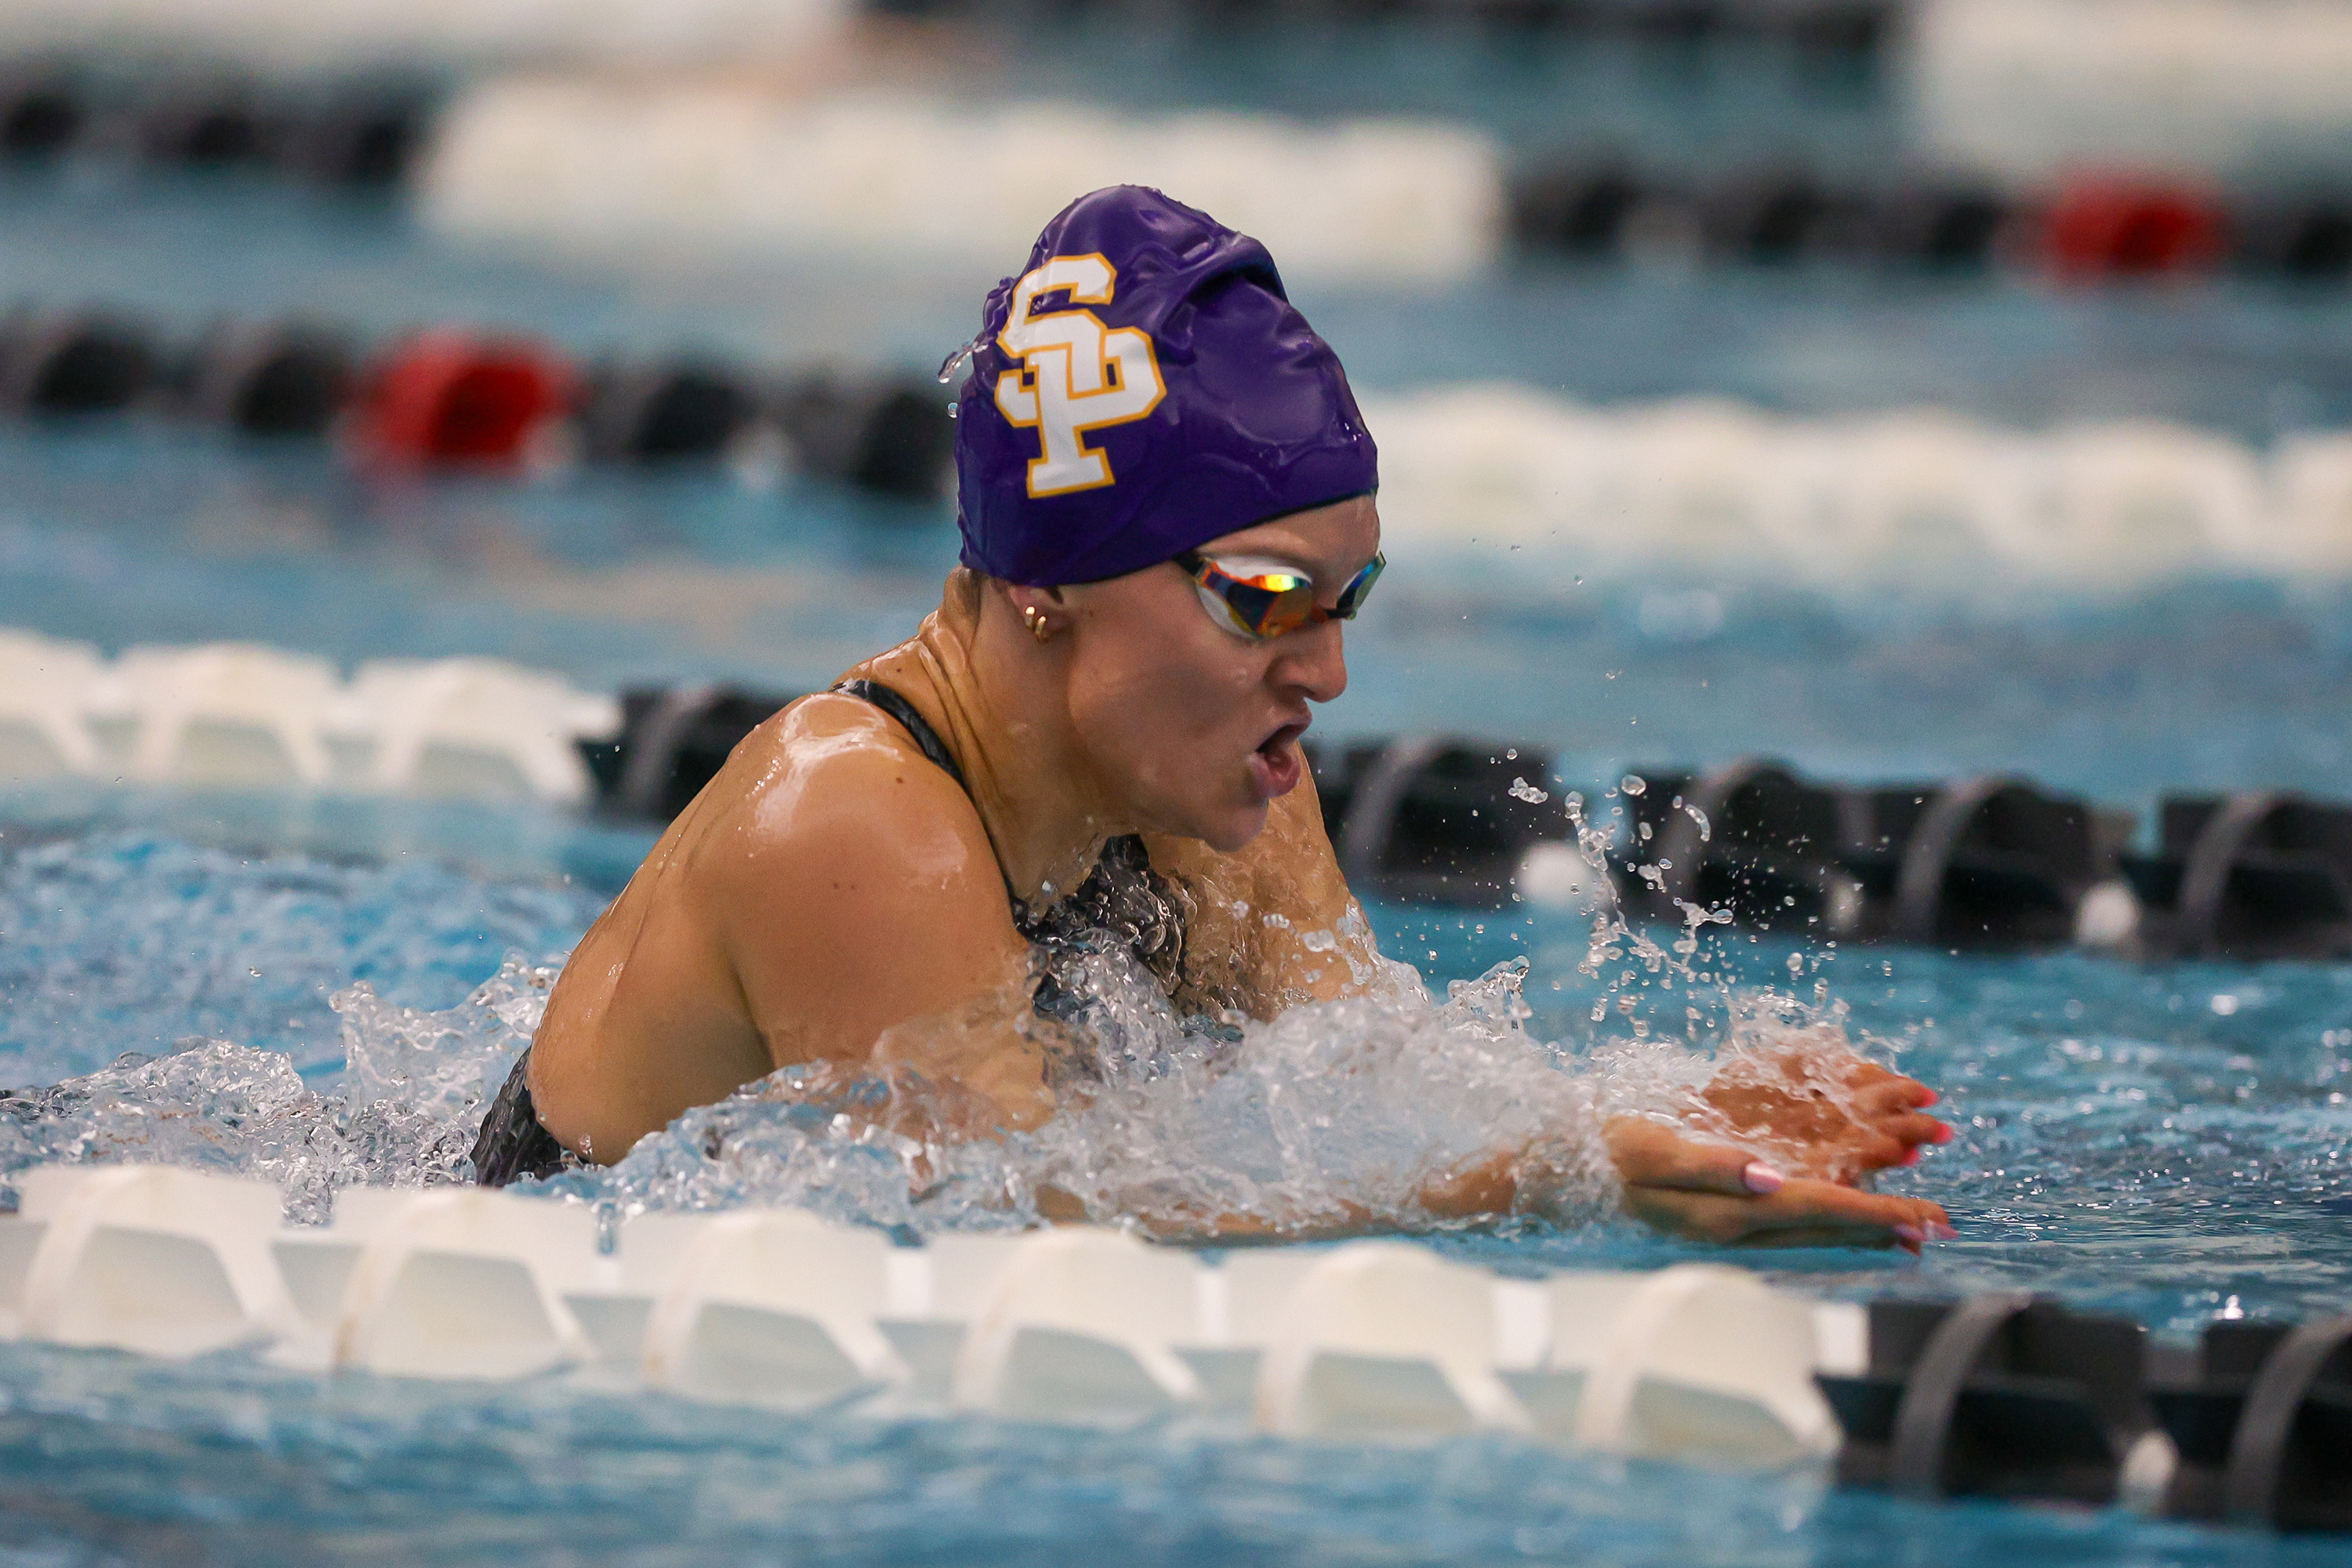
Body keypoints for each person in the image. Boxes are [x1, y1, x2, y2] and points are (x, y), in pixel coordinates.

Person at [477, 185, 1955, 1251]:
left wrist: (1659, 1120)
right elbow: (1016, 1222)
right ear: (1051, 578)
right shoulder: (854, 821)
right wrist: (1545, 1183)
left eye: (1347, 600)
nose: (1327, 673)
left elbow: (1369, 1093)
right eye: (1265, 600)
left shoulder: (1217, 798)